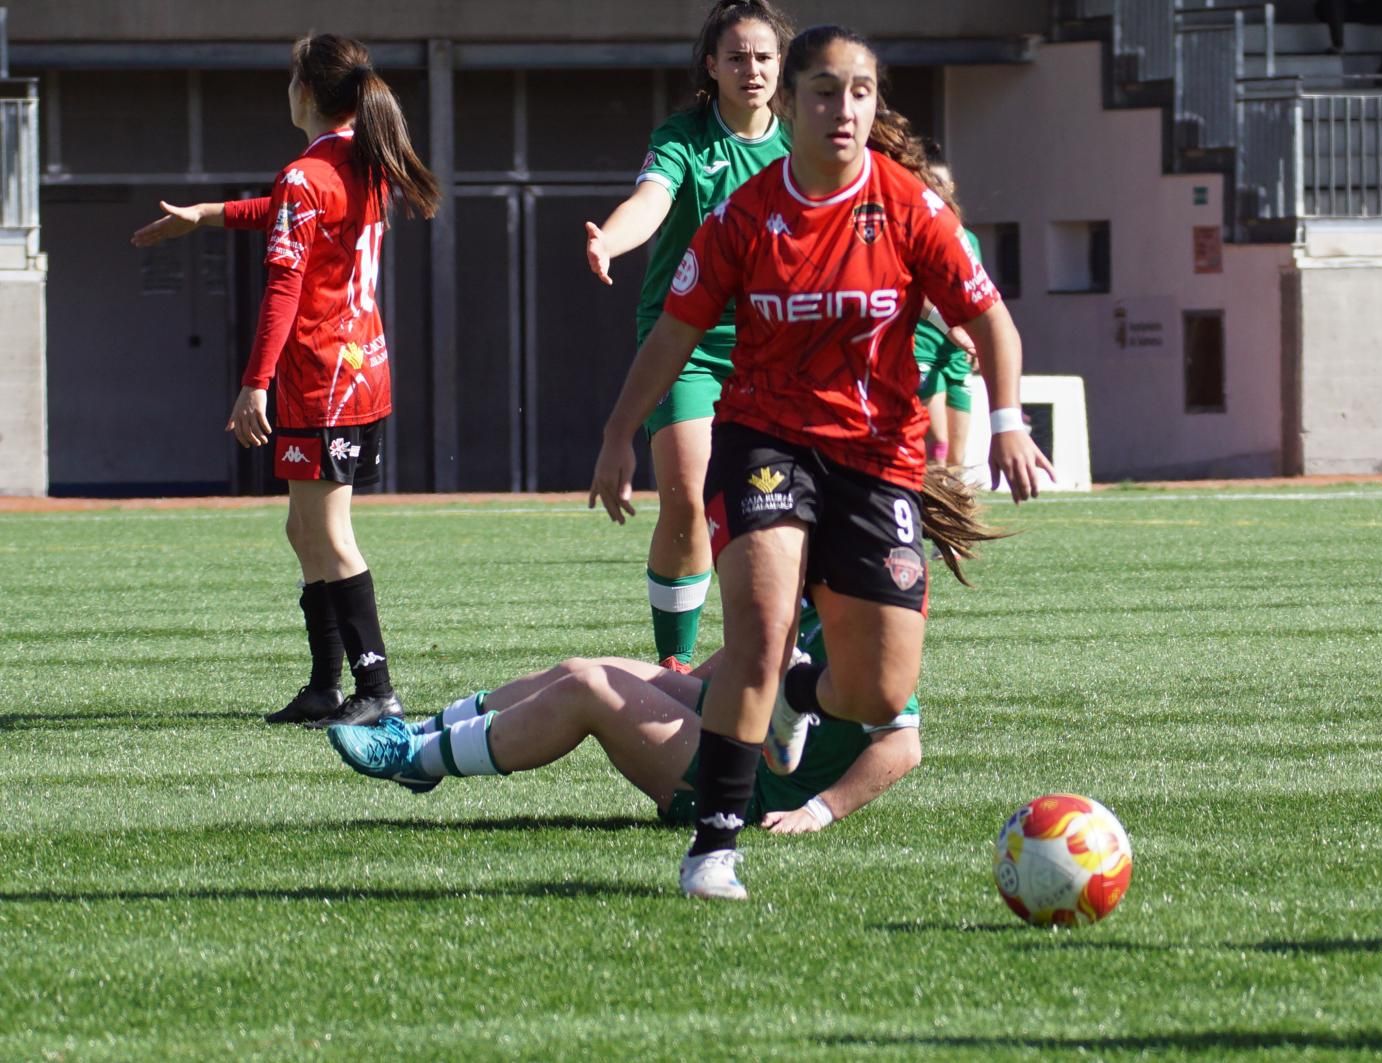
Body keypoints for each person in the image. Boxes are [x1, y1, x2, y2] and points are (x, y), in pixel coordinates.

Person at [589, 25, 1054, 901]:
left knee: (878, 692)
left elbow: (992, 320)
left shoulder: (911, 207)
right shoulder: (746, 215)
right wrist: (621, 431)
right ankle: (714, 847)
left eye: (862, 92)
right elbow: (674, 332)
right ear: (791, 103)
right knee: (758, 635)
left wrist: (1006, 420)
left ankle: (804, 691)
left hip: (877, 459)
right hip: (765, 439)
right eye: (826, 92)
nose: (845, 109)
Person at [326, 470, 998, 829]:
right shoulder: (829, 585)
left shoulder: (876, 618)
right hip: (732, 726)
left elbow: (902, 743)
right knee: (588, 668)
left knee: (589, 694)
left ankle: (416, 759)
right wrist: (678, 677)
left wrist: (818, 811)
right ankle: (419, 737)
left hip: (753, 787)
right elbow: (756, 662)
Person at [130, 34, 439, 727]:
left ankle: (376, 688)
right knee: (304, 528)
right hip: (359, 369)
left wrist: (254, 383)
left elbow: (283, 283)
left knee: (327, 532)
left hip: (319, 375)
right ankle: (326, 685)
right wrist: (207, 215)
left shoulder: (310, 172)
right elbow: (285, 212)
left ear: (305, 91)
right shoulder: (361, 159)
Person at [583, 0, 793, 675]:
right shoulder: (684, 137)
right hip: (688, 340)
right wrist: (609, 241)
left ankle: (775, 658)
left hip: (777, 343)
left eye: (763, 56)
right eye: (736, 57)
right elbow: (652, 199)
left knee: (777, 505)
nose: (751, 69)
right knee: (686, 496)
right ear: (711, 65)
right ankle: (674, 660)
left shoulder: (802, 146)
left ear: (781, 63)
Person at [914, 157, 981, 471]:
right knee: (936, 445)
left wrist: (981, 341)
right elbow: (916, 297)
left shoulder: (969, 241)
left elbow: (978, 300)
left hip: (956, 354)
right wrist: (946, 325)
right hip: (923, 347)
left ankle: (951, 518)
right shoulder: (916, 237)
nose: (936, 188)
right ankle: (928, 518)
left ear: (952, 187)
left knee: (957, 457)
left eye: (941, 182)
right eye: (930, 182)